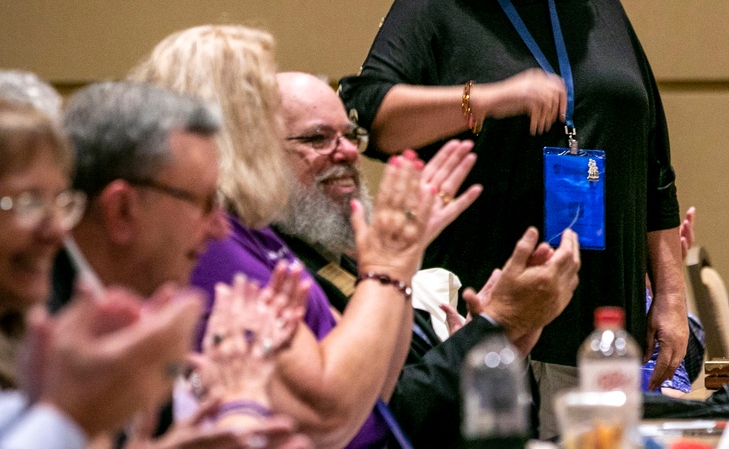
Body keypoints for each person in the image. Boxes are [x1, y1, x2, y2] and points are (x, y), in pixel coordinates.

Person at [339, 0, 687, 437]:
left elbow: (654, 167)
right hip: (489, 311)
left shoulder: (597, 6)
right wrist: (490, 98)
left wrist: (671, 296)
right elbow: (366, 114)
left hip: (602, 318)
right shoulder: (433, 6)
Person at [132, 24, 477, 448]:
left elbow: (374, 383)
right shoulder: (208, 244)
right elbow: (326, 409)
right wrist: (388, 263)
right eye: (260, 105)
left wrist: (400, 261)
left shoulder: (253, 228)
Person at [275, 71, 581, 447]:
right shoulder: (276, 273)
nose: (351, 151)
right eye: (317, 138)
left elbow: (424, 390)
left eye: (350, 135)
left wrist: (499, 347)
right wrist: (494, 325)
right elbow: (385, 419)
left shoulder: (340, 257)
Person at [58, 82, 311, 448]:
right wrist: (241, 405)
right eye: (205, 203)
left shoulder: (140, 303)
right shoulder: (32, 324)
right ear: (122, 210)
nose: (220, 229)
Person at [0, 98, 207, 447]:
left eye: (61, 203)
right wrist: (74, 416)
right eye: (30, 203)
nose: (56, 232)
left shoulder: (32, 332)